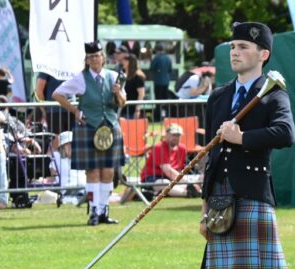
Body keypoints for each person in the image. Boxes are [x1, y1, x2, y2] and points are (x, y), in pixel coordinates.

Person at [198, 22, 295, 269]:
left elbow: (286, 134)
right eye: (232, 46)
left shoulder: (273, 94)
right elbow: (211, 156)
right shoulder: (220, 97)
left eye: (242, 46)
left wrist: (243, 138)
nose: (234, 51)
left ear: (263, 54)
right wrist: (204, 206)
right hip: (221, 201)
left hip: (252, 196)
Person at [52, 40, 126, 226]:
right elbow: (57, 94)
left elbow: (122, 102)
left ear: (103, 58)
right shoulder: (80, 79)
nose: (95, 59)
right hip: (89, 128)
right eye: (91, 57)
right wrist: (75, 110)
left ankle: (104, 210)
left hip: (110, 127)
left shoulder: (113, 76)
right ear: (87, 60)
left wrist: (118, 93)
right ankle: (94, 210)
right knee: (92, 171)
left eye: (97, 56)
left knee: (108, 171)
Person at [133, 123, 199, 199]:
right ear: (166, 135)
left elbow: (178, 170)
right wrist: (187, 183)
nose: (176, 138)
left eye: (178, 135)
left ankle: (190, 191)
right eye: (173, 135)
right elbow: (167, 170)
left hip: (171, 178)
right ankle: (187, 193)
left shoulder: (182, 148)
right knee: (164, 183)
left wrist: (187, 182)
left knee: (198, 179)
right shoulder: (159, 147)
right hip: (152, 178)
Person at [123, 54, 146, 118]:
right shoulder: (124, 75)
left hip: (131, 110)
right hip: (123, 108)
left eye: (125, 61)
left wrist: (137, 110)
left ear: (130, 62)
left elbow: (141, 94)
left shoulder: (137, 77)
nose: (123, 62)